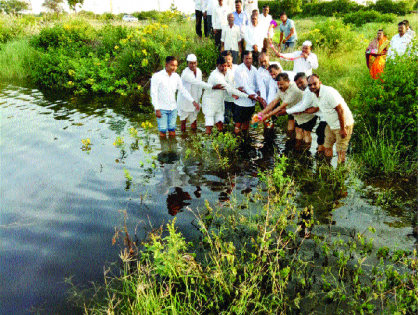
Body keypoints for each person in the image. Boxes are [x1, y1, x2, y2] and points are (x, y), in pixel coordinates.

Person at [305, 74, 354, 164]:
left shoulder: (328, 92)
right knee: (327, 146)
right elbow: (316, 108)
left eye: (314, 84)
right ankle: (328, 168)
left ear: (320, 83)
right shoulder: (314, 94)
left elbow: (340, 110)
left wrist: (343, 129)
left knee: (340, 150)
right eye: (309, 85)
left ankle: (341, 171)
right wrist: (301, 112)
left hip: (343, 124)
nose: (312, 86)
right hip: (330, 124)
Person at [151, 56, 198, 138]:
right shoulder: (157, 76)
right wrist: (157, 109)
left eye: (176, 66)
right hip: (162, 108)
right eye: (172, 65)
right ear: (166, 64)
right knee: (163, 131)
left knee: (172, 130)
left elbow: (183, 90)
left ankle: (173, 149)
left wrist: (193, 101)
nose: (174, 68)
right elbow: (153, 93)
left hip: (173, 108)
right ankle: (164, 149)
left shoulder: (176, 76)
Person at [202, 56, 249, 134]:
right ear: (217, 65)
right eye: (221, 66)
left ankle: (218, 144)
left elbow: (231, 85)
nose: (224, 68)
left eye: (225, 66)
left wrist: (236, 90)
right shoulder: (215, 75)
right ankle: (208, 144)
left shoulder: (227, 72)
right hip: (210, 103)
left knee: (220, 126)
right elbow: (228, 88)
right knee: (209, 127)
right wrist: (246, 95)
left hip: (219, 103)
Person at [177, 54, 224, 132]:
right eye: (190, 63)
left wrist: (198, 100)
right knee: (183, 122)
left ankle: (194, 139)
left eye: (194, 63)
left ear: (197, 62)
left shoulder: (199, 71)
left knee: (194, 122)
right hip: (185, 101)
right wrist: (212, 87)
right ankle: (183, 138)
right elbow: (197, 83)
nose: (193, 65)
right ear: (187, 63)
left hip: (195, 100)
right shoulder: (185, 73)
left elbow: (199, 87)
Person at [258, 73, 306, 147]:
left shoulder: (293, 90)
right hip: (291, 109)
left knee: (300, 131)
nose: (279, 87)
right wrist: (261, 113)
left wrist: (267, 116)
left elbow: (281, 107)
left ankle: (300, 149)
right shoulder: (281, 88)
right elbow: (274, 102)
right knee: (290, 129)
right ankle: (290, 145)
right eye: (278, 84)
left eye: (282, 84)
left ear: (288, 82)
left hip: (302, 111)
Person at [283, 73, 325, 154]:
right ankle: (303, 151)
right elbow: (303, 104)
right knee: (317, 134)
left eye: (301, 82)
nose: (299, 85)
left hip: (322, 116)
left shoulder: (309, 90)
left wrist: (287, 111)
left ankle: (310, 153)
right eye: (297, 84)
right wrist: (291, 110)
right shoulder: (307, 91)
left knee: (314, 134)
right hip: (319, 115)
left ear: (307, 80)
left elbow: (303, 106)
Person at [233, 51, 266, 135]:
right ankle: (237, 141)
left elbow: (259, 83)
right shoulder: (239, 70)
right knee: (238, 124)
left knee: (247, 123)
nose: (248, 60)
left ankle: (245, 140)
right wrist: (257, 97)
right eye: (246, 58)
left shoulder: (254, 69)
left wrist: (260, 94)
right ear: (243, 59)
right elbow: (244, 86)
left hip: (251, 103)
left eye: (250, 58)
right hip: (241, 102)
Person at [224, 51, 239, 123]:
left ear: (232, 59)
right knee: (226, 117)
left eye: (229, 59)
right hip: (227, 98)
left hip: (237, 98)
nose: (228, 61)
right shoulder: (223, 70)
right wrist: (231, 94)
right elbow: (224, 84)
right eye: (226, 60)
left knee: (236, 117)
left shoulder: (237, 68)